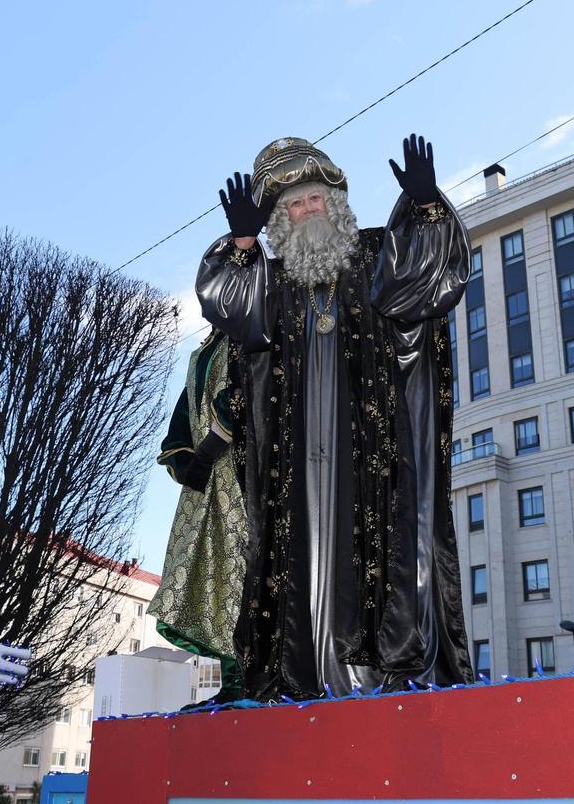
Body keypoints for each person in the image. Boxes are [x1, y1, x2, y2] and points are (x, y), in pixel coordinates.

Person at [198, 134, 473, 701]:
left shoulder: (375, 256)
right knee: (292, 553)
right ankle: (299, 672)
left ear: (336, 201)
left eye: (314, 199)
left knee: (375, 548)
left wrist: (426, 207)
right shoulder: (271, 282)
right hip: (294, 455)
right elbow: (227, 305)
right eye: (292, 206)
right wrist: (243, 242)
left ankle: (378, 671)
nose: (306, 212)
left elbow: (430, 272)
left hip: (369, 445)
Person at [149, 327, 246, 703]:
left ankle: (250, 674)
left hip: (239, 473)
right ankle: (230, 675)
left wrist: (211, 446)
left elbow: (242, 391)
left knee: (239, 570)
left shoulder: (248, 330)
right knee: (209, 573)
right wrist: (186, 457)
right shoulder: (206, 346)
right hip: (207, 485)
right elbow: (186, 409)